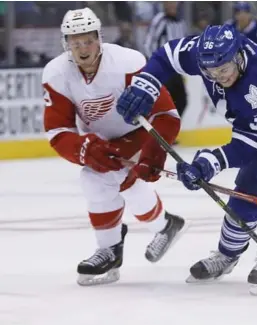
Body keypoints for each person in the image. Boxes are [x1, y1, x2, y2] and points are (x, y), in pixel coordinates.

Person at [115, 24, 257, 295]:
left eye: (224, 70)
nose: (218, 77)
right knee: (246, 185)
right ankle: (227, 254)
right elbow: (166, 55)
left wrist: (207, 163)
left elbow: (247, 146)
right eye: (210, 73)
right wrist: (146, 86)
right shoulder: (207, 54)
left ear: (238, 57)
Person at [42, 8, 186, 286]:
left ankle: (112, 247)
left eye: (88, 40)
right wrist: (82, 148)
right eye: (76, 42)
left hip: (138, 135)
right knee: (104, 179)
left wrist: (153, 153)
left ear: (100, 38)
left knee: (104, 179)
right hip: (100, 141)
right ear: (66, 44)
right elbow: (58, 130)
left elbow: (167, 114)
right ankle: (162, 227)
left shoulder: (127, 63)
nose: (83, 49)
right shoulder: (56, 73)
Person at [144, 1, 188, 120]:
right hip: (163, 70)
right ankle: (162, 136)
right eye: (168, 2)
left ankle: (169, 135)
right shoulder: (159, 20)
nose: (171, 4)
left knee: (182, 101)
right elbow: (148, 44)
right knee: (163, 105)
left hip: (175, 71)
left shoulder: (180, 22)